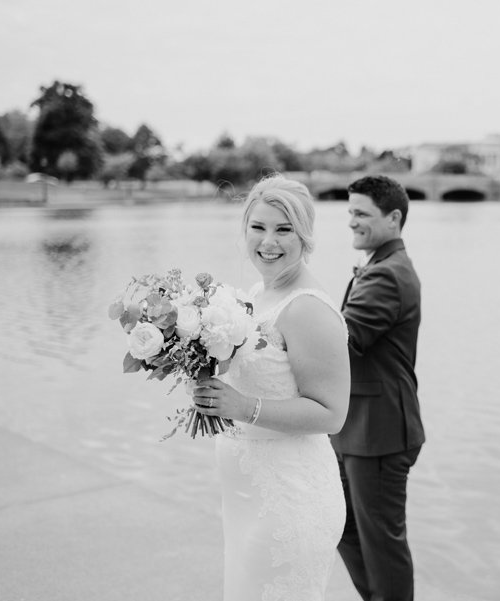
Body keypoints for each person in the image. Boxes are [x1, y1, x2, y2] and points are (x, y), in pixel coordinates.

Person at [191, 174, 350, 601]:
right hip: (248, 498)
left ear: (305, 236)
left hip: (289, 504)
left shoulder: (307, 310)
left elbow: (332, 414)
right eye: (258, 227)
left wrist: (242, 406)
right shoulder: (258, 293)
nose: (268, 241)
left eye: (284, 230)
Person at [331, 175, 425, 601]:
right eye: (350, 211)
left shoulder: (389, 275)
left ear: (393, 218)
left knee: (383, 545)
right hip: (358, 427)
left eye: (361, 213)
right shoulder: (379, 266)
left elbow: (341, 340)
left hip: (381, 431)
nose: (351, 221)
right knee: (342, 527)